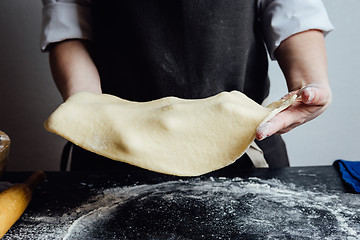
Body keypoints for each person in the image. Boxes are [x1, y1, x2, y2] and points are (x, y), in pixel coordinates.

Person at [41, 0, 333, 173]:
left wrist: (308, 83)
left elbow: (294, 10)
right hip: (111, 149)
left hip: (245, 143)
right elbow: (69, 15)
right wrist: (86, 110)